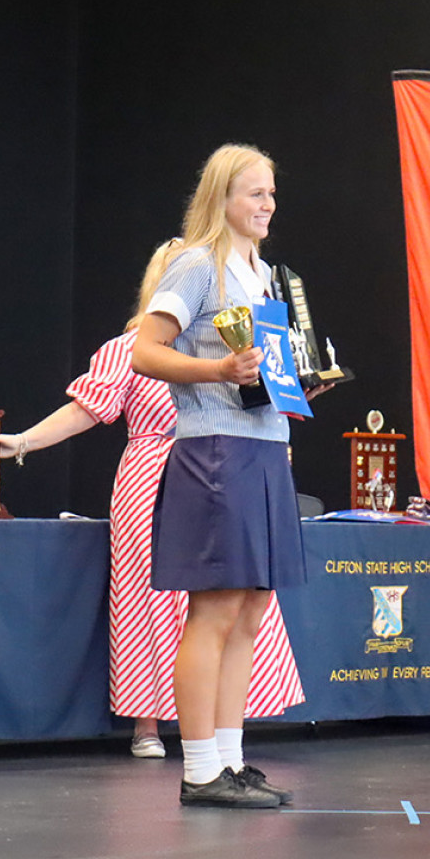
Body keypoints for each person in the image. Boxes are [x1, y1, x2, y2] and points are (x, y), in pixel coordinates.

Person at [0, 248, 305, 761]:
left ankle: (225, 732)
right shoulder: (130, 348)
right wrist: (24, 441)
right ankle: (148, 723)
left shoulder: (234, 340)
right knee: (151, 599)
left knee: (237, 598)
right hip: (153, 478)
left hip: (228, 466)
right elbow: (85, 409)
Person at [131, 143, 317, 809]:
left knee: (252, 609)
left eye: (271, 193)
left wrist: (296, 387)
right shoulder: (194, 263)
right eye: (253, 193)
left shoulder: (263, 274)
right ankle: (199, 768)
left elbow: (261, 370)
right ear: (222, 198)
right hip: (213, 449)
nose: (267, 205)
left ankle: (231, 759)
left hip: (264, 447)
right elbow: (145, 351)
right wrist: (217, 371)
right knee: (213, 610)